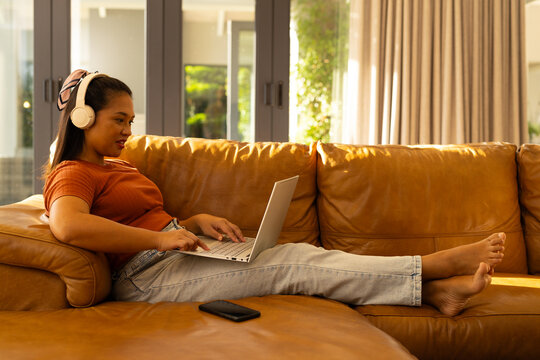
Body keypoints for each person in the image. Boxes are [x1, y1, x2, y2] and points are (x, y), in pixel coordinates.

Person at [44, 70, 506, 317]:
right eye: (118, 120)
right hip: (145, 278)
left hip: (173, 254)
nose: (128, 130)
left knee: (298, 259)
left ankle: (434, 294)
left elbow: (137, 218)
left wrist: (188, 223)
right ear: (84, 119)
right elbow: (68, 224)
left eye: (131, 121)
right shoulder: (72, 171)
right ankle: (432, 267)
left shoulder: (118, 165)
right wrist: (162, 240)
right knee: (295, 264)